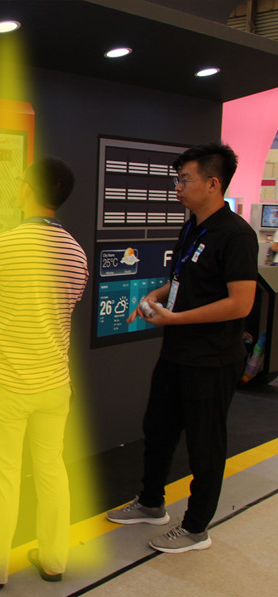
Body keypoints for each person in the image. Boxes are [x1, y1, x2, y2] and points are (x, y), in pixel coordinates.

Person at [106, 142, 258, 553]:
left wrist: (176, 319)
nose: (177, 187)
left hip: (212, 359)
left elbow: (240, 303)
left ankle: (195, 528)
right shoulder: (194, 227)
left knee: (205, 445)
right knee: (157, 430)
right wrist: (155, 297)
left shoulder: (236, 235)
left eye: (184, 179)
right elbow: (182, 282)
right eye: (177, 179)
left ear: (213, 183)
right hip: (176, 353)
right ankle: (151, 502)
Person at [0, 157, 88, 589]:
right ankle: (54, 560)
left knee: (3, 478)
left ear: (26, 189)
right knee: (52, 470)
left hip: (6, 383)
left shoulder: (2, 246)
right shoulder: (76, 253)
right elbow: (69, 304)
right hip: (55, 384)